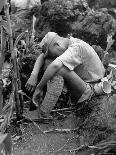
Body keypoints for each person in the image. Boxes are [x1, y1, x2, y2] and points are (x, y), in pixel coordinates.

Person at [30, 31, 105, 118]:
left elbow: (55, 66)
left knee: (58, 69)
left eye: (51, 53)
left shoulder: (76, 48)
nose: (52, 56)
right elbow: (43, 56)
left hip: (91, 89)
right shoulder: (69, 43)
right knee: (49, 62)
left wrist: (39, 88)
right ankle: (47, 103)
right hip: (83, 83)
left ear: (57, 44)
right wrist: (33, 75)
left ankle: (44, 113)